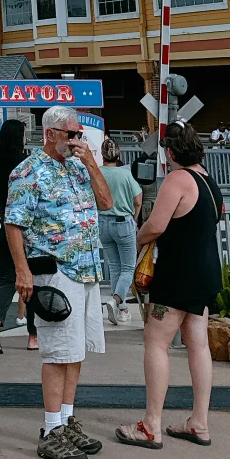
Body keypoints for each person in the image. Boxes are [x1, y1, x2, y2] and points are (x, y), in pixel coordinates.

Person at [6, 106, 113, 459]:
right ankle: (51, 429)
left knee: (77, 349)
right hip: (55, 271)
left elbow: (107, 203)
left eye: (80, 134)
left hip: (86, 269)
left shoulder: (80, 167)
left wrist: (93, 165)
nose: (78, 140)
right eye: (72, 134)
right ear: (50, 133)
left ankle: (66, 420)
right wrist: (22, 271)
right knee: (58, 352)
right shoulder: (28, 171)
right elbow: (14, 223)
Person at [115, 121, 223, 450]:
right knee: (198, 346)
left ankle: (151, 425)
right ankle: (199, 423)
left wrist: (135, 241)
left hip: (177, 275)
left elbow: (155, 225)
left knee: (156, 343)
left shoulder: (178, 179)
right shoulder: (208, 181)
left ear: (171, 152)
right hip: (205, 274)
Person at [0, 117, 38, 354]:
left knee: (6, 277)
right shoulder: (26, 162)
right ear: (19, 137)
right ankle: (33, 336)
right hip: (22, 224)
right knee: (30, 276)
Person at [98, 138, 142, 325]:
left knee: (115, 266)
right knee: (128, 268)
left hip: (103, 222)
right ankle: (115, 300)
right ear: (119, 155)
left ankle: (121, 308)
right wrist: (134, 218)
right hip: (123, 222)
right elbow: (138, 200)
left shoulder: (97, 173)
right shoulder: (125, 174)